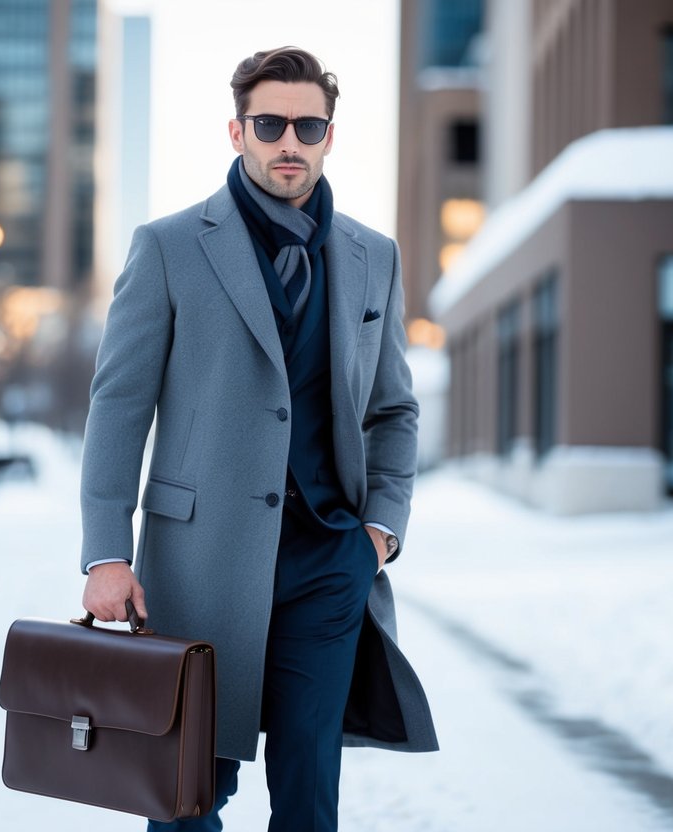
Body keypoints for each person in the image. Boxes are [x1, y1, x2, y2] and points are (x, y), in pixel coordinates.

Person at [79, 46, 438, 832]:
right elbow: (118, 405)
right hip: (198, 563)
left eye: (307, 125)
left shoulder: (372, 257)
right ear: (236, 131)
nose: (288, 142)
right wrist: (107, 551)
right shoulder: (169, 246)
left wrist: (379, 531)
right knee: (184, 794)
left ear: (329, 137)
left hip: (328, 563)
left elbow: (394, 411)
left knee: (309, 799)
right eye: (269, 123)